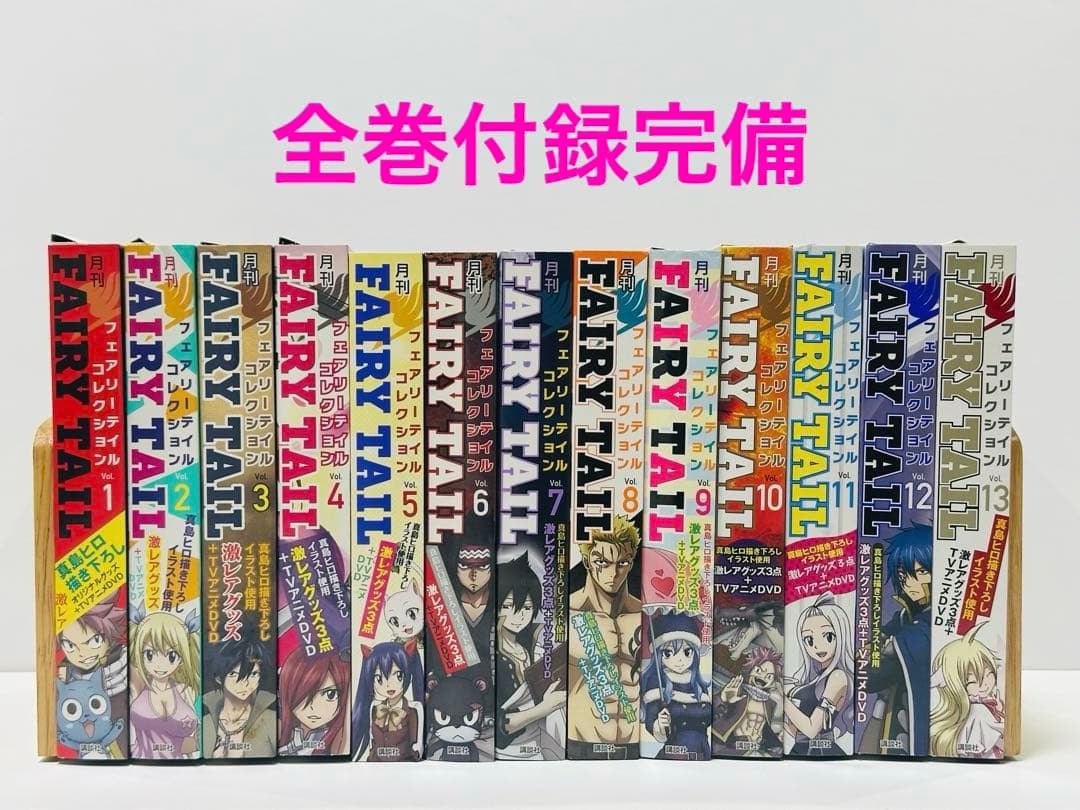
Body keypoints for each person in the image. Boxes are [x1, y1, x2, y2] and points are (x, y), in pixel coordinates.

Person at [567, 515, 642, 759]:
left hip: (634, 745)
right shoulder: (567, 612)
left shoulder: (644, 615)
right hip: (580, 743)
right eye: (602, 562)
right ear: (587, 562)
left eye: (622, 563)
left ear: (631, 563)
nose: (613, 573)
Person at [858, 526, 933, 755]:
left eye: (920, 572)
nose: (909, 583)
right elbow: (869, 663)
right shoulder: (904, 617)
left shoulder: (927, 625)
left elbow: (874, 675)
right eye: (903, 575)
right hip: (893, 716)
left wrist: (885, 651)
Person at [495, 553, 566, 759]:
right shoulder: (492, 655)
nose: (519, 616)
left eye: (527, 608)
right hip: (507, 751)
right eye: (508, 606)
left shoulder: (531, 643)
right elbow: (498, 724)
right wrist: (544, 707)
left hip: (544, 741)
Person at [783, 592, 855, 756]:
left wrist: (781, 698)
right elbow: (800, 731)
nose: (817, 646)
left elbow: (811, 729)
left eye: (828, 636)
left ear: (840, 634)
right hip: (802, 750)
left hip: (822, 752)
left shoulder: (837, 677)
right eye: (809, 640)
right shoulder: (816, 677)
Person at [640, 610, 710, 760]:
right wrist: (660, 725)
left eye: (687, 652)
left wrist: (723, 700)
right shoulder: (658, 683)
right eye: (668, 653)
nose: (679, 660)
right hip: (675, 752)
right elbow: (651, 722)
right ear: (659, 654)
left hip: (702, 752)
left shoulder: (697, 683)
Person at [129, 611, 200, 759]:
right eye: (149, 654)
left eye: (171, 656)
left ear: (181, 658)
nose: (160, 665)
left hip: (180, 762)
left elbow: (192, 742)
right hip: (141, 759)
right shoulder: (138, 686)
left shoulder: (186, 691)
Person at [929, 625, 1004, 759]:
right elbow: (1001, 741)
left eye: (989, 674)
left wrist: (997, 710)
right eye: (973, 681)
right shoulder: (978, 711)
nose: (985, 684)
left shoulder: (979, 706)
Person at [203, 632, 276, 758]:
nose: (245, 683)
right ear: (218, 677)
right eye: (233, 674)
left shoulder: (271, 720)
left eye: (253, 674)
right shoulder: (205, 722)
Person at [277, 647, 349, 756]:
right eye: (303, 695)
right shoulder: (284, 744)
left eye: (330, 694)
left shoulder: (339, 746)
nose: (314, 707)